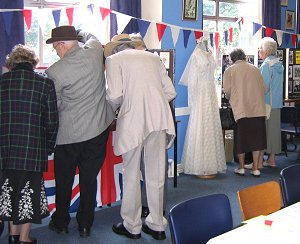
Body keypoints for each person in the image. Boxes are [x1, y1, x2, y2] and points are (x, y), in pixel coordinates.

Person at [104, 34, 176, 240]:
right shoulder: (153, 58)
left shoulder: (114, 60)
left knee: (131, 174)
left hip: (133, 120)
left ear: (116, 49)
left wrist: (123, 105)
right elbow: (170, 91)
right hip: (159, 118)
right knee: (156, 173)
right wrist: (152, 100)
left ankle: (132, 225)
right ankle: (157, 224)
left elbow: (114, 96)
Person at [45, 26, 115, 237]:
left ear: (62, 45)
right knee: (88, 179)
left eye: (56, 47)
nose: (56, 52)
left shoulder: (55, 71)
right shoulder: (94, 51)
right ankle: (85, 224)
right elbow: (92, 36)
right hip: (97, 131)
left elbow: (53, 107)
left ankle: (61, 222)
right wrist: (79, 31)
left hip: (69, 136)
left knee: (64, 181)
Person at [0, 44, 59, 244]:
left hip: (4, 150)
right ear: (33, 63)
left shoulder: (1, 82)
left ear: (11, 64)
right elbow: (52, 121)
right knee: (27, 193)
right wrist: (48, 148)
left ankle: (12, 235)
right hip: (32, 150)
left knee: (9, 191)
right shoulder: (45, 84)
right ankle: (24, 238)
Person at [179, 36, 227, 178]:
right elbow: (192, 80)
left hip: (211, 92)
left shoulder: (210, 54)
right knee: (201, 127)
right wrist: (193, 100)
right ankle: (200, 165)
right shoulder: (196, 56)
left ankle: (211, 164)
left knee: (211, 127)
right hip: (201, 94)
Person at [223, 48, 267, 177]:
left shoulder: (230, 70)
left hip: (241, 109)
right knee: (257, 139)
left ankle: (241, 167)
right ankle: (255, 167)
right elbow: (264, 89)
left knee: (241, 139)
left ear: (232, 59)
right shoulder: (255, 69)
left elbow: (227, 91)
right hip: (258, 109)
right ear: (244, 56)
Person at [256, 37, 284, 168]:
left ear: (266, 51)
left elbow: (263, 87)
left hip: (267, 104)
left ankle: (261, 161)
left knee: (263, 132)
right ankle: (272, 159)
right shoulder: (279, 65)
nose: (259, 51)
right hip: (277, 103)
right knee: (274, 131)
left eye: (260, 48)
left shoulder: (266, 66)